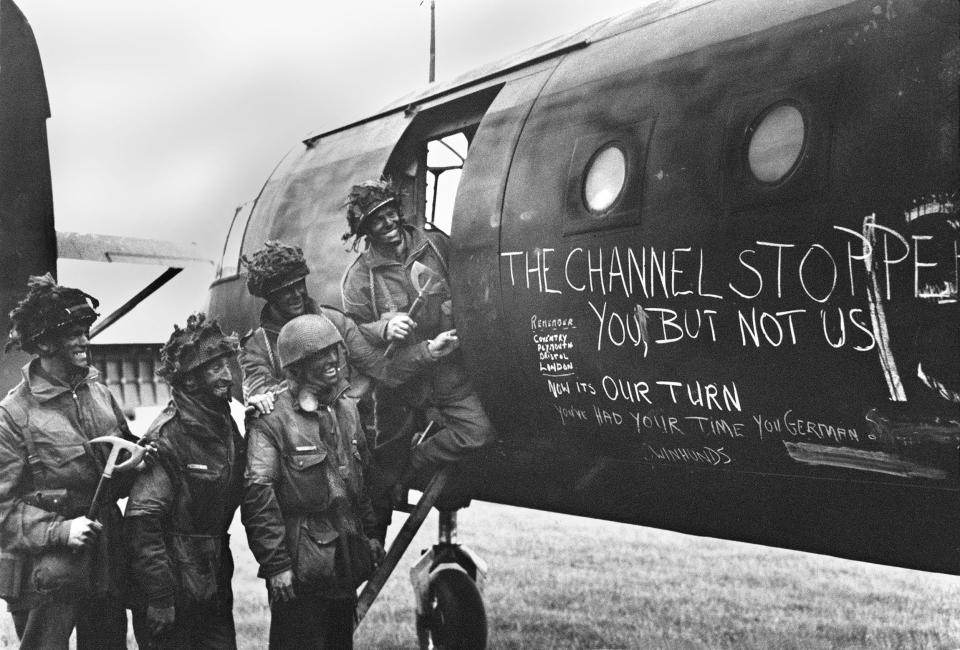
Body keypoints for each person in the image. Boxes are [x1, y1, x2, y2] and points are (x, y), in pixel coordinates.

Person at [340, 178, 495, 520]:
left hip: (448, 374)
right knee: (383, 473)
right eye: (378, 219)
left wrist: (457, 309)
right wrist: (383, 327)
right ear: (366, 229)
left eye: (391, 212)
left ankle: (418, 458)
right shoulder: (358, 278)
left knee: (478, 432)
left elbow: (473, 284)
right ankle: (371, 547)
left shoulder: (436, 245)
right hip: (399, 386)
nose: (390, 223)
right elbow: (354, 334)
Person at [0, 274, 141, 649]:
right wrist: (60, 531)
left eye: (85, 330)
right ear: (44, 343)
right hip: (45, 573)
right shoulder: (13, 415)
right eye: (72, 333)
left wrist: (140, 462)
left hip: (105, 561)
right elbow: (2, 511)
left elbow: (124, 463)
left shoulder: (100, 394)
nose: (84, 340)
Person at [242, 314, 385, 649]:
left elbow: (358, 483)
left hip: (344, 558)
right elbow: (258, 499)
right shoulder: (271, 420)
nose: (333, 360)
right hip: (301, 566)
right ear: (298, 366)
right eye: (321, 355)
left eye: (335, 350)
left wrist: (372, 534)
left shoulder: (346, 410)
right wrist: (276, 565)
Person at [125, 313, 244, 649]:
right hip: (170, 587)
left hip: (213, 578)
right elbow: (143, 525)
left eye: (226, 365)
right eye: (215, 368)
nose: (227, 376)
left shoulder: (224, 425)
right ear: (191, 380)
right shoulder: (166, 437)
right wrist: (160, 599)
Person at [239, 240, 453, 417]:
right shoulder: (258, 346)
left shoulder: (334, 321)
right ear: (270, 297)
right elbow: (261, 393)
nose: (296, 295)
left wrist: (429, 350)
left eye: (299, 285)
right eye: (285, 290)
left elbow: (380, 366)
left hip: (346, 433)